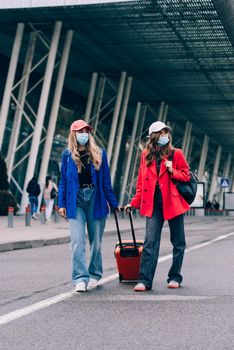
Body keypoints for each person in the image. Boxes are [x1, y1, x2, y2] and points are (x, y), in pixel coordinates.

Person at [125, 121, 190, 292]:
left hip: (173, 203)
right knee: (150, 242)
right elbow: (141, 182)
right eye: (161, 133)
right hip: (153, 204)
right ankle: (145, 280)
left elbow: (186, 176)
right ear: (154, 136)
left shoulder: (176, 154)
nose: (164, 136)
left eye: (166, 133)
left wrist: (172, 170)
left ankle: (175, 277)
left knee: (178, 242)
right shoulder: (146, 154)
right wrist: (133, 202)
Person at [58, 119, 120, 292]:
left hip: (95, 199)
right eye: (80, 131)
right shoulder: (67, 155)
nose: (83, 134)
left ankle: (94, 274)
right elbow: (63, 181)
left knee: (96, 243)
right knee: (77, 241)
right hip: (75, 201)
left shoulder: (100, 153)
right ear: (73, 134)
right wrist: (61, 203)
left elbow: (106, 182)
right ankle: (79, 278)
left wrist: (114, 204)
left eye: (86, 131)